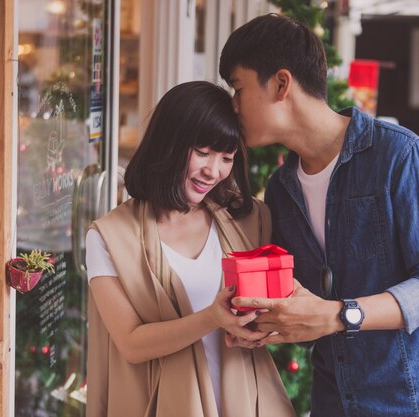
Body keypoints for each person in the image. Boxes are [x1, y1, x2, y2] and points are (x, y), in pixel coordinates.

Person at [219, 14, 419, 417]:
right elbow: (309, 310)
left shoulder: (401, 157)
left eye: (237, 88)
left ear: (281, 84)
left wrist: (339, 314)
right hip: (337, 402)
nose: (232, 105)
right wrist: (267, 324)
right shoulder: (281, 190)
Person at [85, 81, 295, 417]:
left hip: (245, 402)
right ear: (169, 143)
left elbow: (285, 307)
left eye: (226, 157)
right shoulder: (109, 237)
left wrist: (264, 330)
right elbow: (131, 343)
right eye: (202, 152)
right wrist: (212, 318)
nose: (213, 171)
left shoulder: (249, 219)